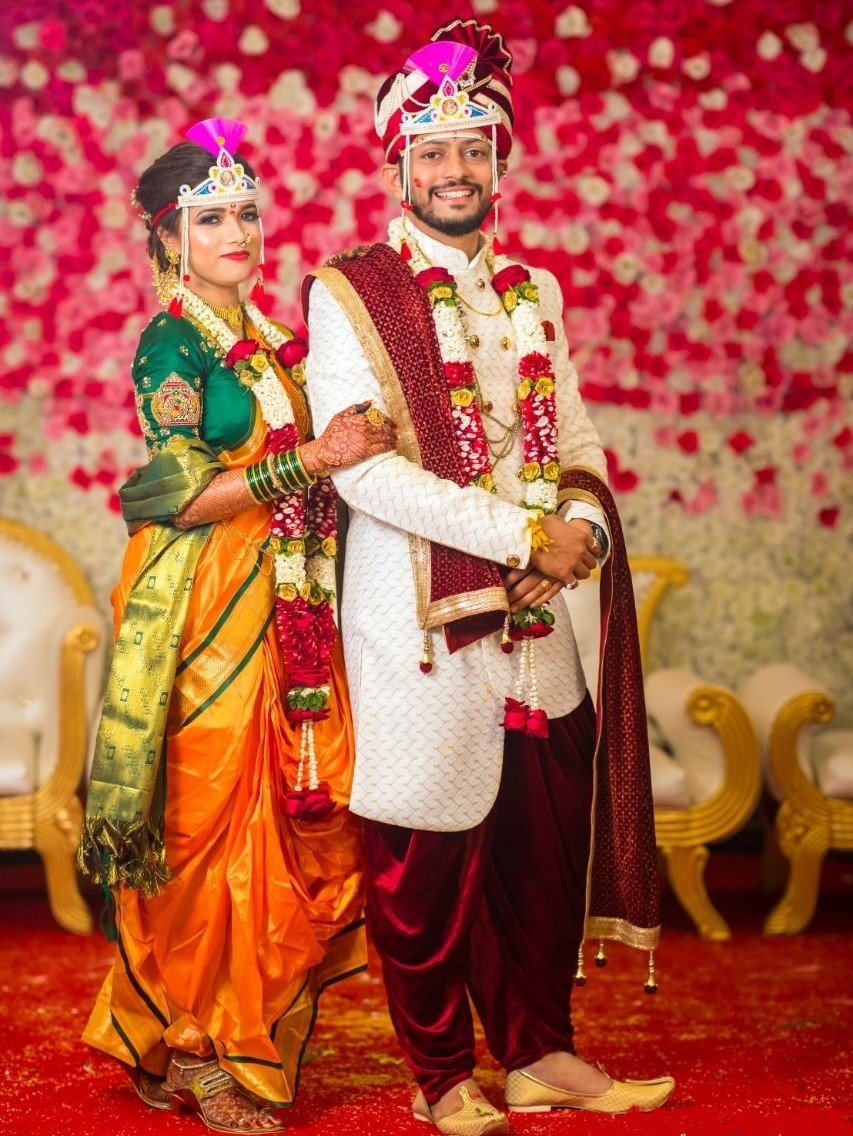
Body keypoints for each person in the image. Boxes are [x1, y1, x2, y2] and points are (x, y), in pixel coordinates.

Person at [304, 21, 674, 1136]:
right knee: (423, 864)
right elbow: (364, 472)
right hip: (420, 625)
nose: (454, 170)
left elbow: (579, 438)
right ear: (398, 165)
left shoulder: (533, 290)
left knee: (540, 851)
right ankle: (442, 1075)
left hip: (538, 625)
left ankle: (540, 1053)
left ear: (501, 161)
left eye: (474, 149)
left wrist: (579, 529)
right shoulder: (348, 292)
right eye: (432, 152)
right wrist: (525, 537)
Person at [78, 118, 395, 1135]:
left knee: (297, 807)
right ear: (169, 237)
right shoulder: (169, 343)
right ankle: (198, 1045)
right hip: (202, 600)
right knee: (205, 818)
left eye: (248, 213)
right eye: (211, 217)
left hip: (287, 590)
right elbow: (177, 494)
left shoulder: (265, 338)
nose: (239, 232)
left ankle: (187, 1023)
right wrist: (313, 459)